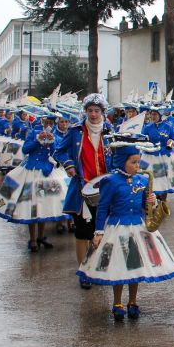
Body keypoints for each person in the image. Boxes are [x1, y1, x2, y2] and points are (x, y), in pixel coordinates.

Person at [76, 139, 174, 321]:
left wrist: (151, 202)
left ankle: (133, 301)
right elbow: (102, 208)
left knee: (136, 267)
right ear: (121, 161)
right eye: (133, 162)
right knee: (119, 268)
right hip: (117, 227)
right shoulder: (110, 181)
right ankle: (117, 302)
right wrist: (99, 232)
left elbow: (143, 205)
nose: (137, 166)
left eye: (138, 162)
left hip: (138, 227)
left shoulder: (143, 179)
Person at [54, 93, 113, 289]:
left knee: (101, 230)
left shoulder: (111, 131)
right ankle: (84, 270)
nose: (94, 114)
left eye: (97, 111)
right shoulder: (75, 131)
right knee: (82, 231)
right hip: (82, 188)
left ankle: (96, 266)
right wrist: (69, 166)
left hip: (105, 189)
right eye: (90, 111)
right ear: (85, 112)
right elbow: (59, 151)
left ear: (103, 112)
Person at [0, 110, 70, 251]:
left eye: (51, 123)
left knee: (44, 205)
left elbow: (56, 153)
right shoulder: (33, 133)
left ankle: (41, 236)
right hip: (31, 171)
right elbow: (25, 150)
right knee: (31, 204)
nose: (48, 125)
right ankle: (32, 239)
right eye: (46, 122)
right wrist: (37, 140)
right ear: (41, 122)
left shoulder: (56, 137)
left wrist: (51, 143)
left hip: (47, 172)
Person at [141, 106, 174, 195]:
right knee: (152, 180)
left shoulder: (168, 127)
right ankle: (152, 203)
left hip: (165, 156)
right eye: (151, 114)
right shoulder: (147, 127)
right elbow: (142, 139)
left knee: (164, 182)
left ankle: (163, 203)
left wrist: (171, 142)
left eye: (155, 114)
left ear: (160, 115)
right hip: (150, 157)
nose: (152, 116)